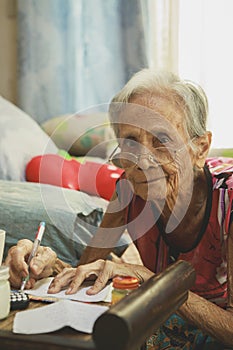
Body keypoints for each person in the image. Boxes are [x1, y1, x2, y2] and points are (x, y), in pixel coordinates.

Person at [5, 69, 233, 348]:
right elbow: (84, 273)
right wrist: (49, 265)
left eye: (162, 140)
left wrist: (146, 279)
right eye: (131, 143)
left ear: (201, 148)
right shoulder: (128, 189)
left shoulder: (229, 201)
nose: (143, 160)